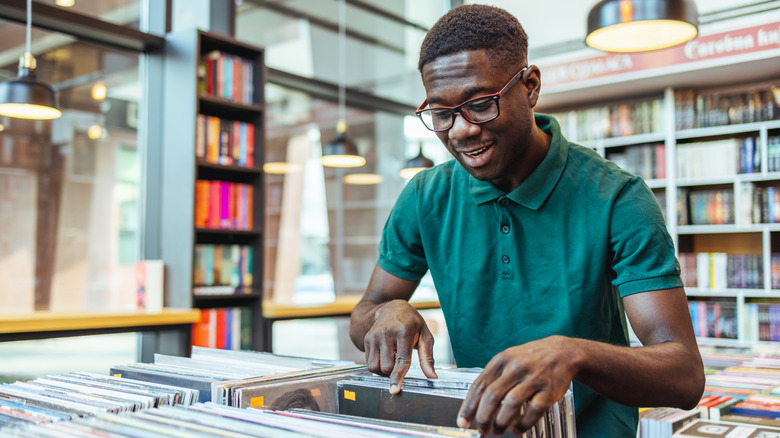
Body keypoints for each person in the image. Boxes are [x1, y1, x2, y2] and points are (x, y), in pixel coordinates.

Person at [349, 4, 705, 437]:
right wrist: (387, 312)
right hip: (483, 428)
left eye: (480, 104)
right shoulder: (425, 196)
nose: (461, 130)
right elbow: (363, 314)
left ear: (530, 86)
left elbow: (684, 374)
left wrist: (572, 354)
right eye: (441, 113)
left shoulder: (617, 197)